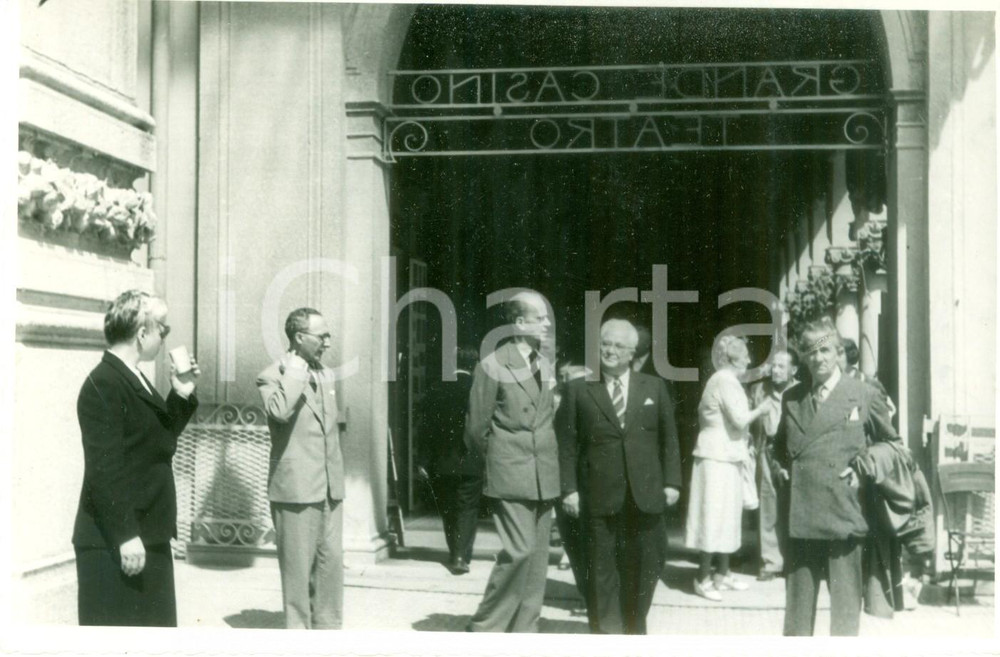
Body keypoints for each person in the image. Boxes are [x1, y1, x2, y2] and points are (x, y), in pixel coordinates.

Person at [73, 289, 200, 626]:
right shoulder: (105, 382)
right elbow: (104, 469)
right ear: (142, 333)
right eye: (163, 329)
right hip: (119, 542)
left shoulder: (133, 376)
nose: (165, 336)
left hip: (147, 535)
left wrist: (181, 394)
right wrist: (126, 535)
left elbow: (157, 441)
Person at [772, 318, 900, 636]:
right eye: (810, 351)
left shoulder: (863, 394)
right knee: (797, 620)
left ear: (838, 351)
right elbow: (777, 450)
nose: (818, 358)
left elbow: (894, 447)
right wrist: (779, 468)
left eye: (825, 350)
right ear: (803, 356)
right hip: (801, 518)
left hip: (845, 515)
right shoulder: (792, 398)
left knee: (844, 619)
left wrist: (865, 464)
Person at [557, 319, 682, 634]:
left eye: (618, 345)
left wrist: (672, 482)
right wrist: (568, 489)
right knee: (600, 567)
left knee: (646, 565)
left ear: (632, 353)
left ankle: (634, 628)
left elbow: (669, 439)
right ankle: (606, 634)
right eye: (605, 344)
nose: (610, 350)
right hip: (597, 495)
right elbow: (566, 446)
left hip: (645, 495)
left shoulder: (653, 387)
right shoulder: (578, 389)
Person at [464, 291, 560, 633]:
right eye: (540, 318)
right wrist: (499, 462)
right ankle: (485, 627)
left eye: (547, 318)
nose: (547, 324)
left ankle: (524, 629)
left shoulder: (544, 364)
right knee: (519, 551)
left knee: (537, 559)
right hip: (510, 471)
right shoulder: (492, 365)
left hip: (544, 472)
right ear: (519, 323)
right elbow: (476, 429)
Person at [257, 308, 346, 629]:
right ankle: (298, 636)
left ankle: (328, 632)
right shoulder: (272, 375)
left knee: (330, 565)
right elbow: (280, 411)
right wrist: (295, 369)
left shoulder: (326, 374)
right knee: (297, 571)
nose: (328, 342)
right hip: (295, 488)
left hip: (329, 486)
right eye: (321, 336)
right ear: (299, 337)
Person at [684, 335, 772, 602]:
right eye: (745, 355)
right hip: (716, 457)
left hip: (728, 455)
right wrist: (762, 409)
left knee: (729, 516)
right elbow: (739, 419)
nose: (749, 359)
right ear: (733, 359)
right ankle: (702, 577)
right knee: (713, 516)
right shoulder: (724, 380)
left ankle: (722, 573)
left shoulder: (727, 380)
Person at [417, 346, 482, 575]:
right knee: (468, 507)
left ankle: (455, 551)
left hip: (442, 461)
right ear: (474, 365)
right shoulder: (478, 389)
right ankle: (461, 555)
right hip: (472, 458)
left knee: (448, 508)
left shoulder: (436, 389)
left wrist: (423, 460)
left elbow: (426, 428)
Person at [749, 349, 798, 581]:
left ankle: (794, 561)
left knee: (794, 504)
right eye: (773, 366)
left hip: (793, 453)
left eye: (781, 366)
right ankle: (771, 561)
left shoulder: (801, 390)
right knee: (769, 504)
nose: (775, 370)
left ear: (793, 370)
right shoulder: (759, 390)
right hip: (767, 449)